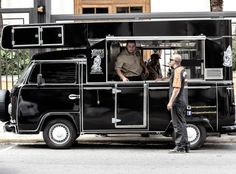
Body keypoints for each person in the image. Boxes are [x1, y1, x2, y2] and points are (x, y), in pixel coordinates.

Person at [167, 54, 189, 153]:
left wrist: (170, 102)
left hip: (177, 101)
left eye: (170, 60)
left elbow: (176, 88)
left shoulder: (177, 71)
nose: (169, 61)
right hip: (183, 100)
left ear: (175, 61)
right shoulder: (183, 70)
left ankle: (180, 146)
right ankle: (186, 145)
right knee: (183, 123)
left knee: (177, 124)